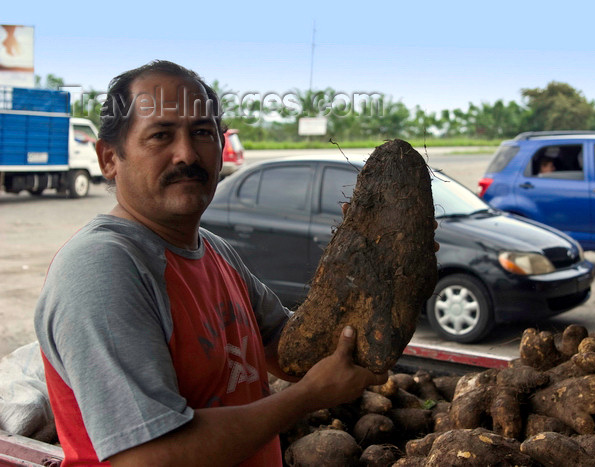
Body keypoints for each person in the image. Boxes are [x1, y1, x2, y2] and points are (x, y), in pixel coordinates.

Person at [33, 60, 387, 466]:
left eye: (202, 133)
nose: (186, 154)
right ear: (109, 158)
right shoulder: (101, 268)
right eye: (161, 135)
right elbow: (147, 458)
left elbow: (295, 354)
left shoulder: (216, 252)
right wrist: (306, 398)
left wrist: (383, 268)